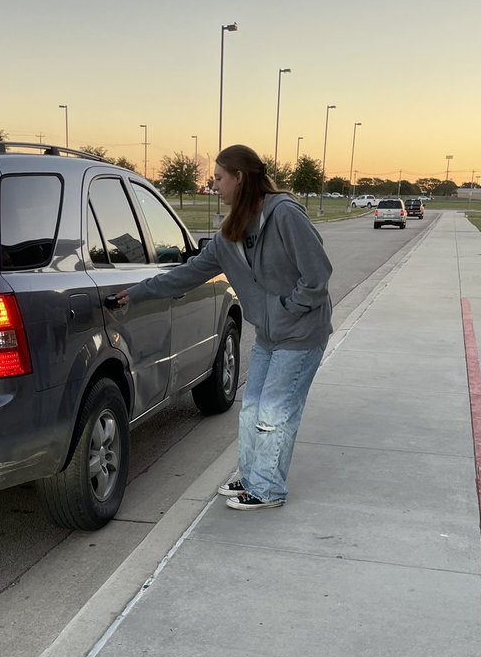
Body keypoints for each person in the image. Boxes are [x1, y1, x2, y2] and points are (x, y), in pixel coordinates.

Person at [114, 144, 332, 511]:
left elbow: (318, 275)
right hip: (269, 335)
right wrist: (135, 294)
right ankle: (251, 478)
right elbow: (186, 274)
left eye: (218, 178)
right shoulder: (230, 234)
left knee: (275, 413)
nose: (213, 185)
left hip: (300, 333)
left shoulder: (284, 215)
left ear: (239, 177)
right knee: (251, 410)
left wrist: (285, 311)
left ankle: (268, 489)